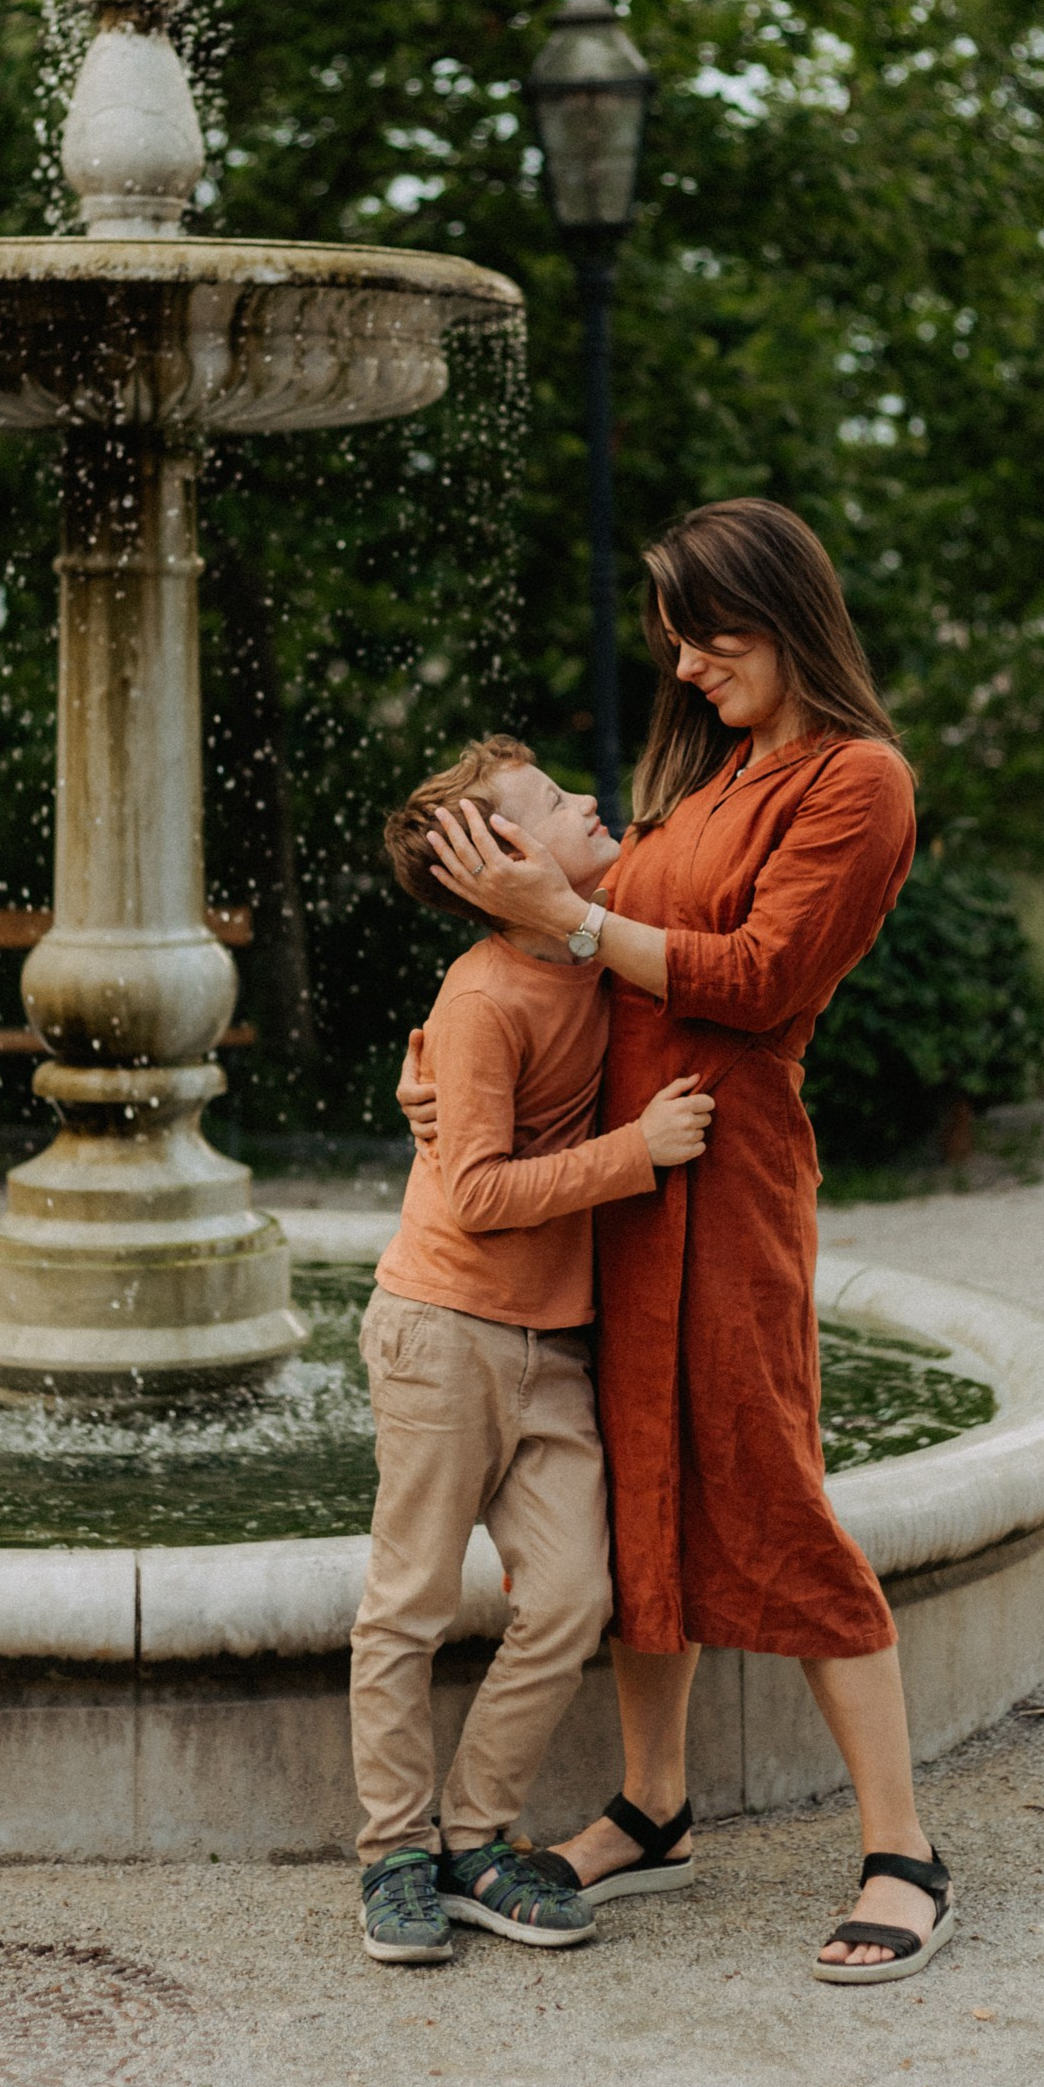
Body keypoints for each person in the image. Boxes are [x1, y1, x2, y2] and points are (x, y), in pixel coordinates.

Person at [403, 499, 955, 1984]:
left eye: (710, 637)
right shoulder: (709, 778)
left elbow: (759, 981)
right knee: (641, 1490)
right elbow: (551, 972)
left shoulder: (858, 781)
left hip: (725, 1175)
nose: (689, 666)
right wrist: (451, 1061)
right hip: (622, 1188)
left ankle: (901, 1846)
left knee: (769, 1482)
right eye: (677, 642)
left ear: (783, 614)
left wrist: (570, 924)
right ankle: (654, 1809)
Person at [353, 733, 716, 1968]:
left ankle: (473, 1839)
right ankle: (395, 1854)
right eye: (556, 802)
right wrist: (637, 1154)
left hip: (551, 1345)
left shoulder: (589, 953)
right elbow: (477, 1196)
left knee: (569, 1599)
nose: (589, 801)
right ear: (496, 861)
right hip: (443, 1332)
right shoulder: (481, 997)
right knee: (404, 1603)